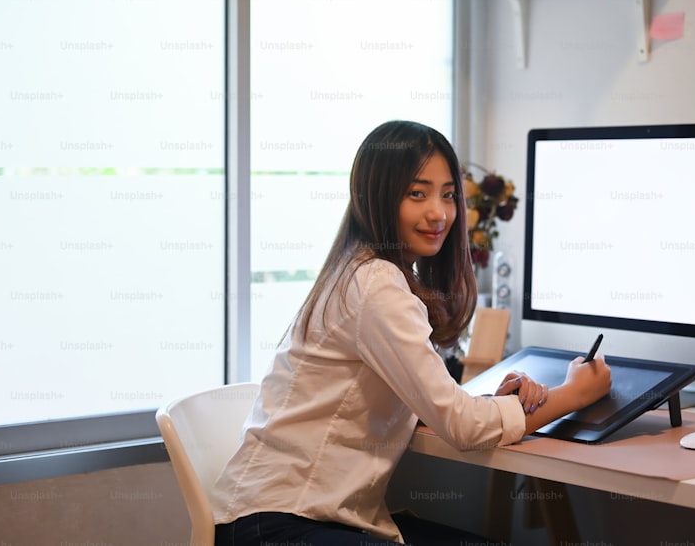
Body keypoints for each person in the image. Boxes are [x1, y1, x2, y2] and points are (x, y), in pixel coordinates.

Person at [211, 120, 612, 545]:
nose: (439, 213)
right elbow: (463, 428)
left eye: (448, 195)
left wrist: (490, 404)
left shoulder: (359, 269)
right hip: (278, 525)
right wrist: (574, 395)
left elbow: (435, 406)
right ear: (378, 198)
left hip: (278, 517)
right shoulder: (376, 284)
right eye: (416, 194)